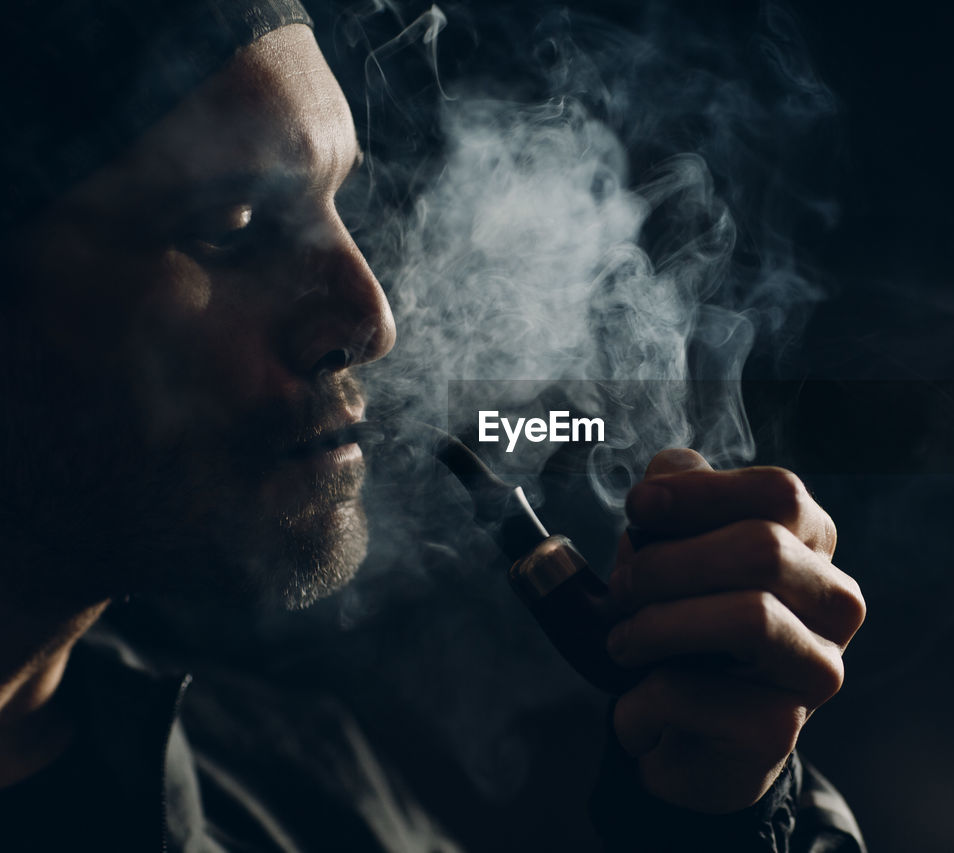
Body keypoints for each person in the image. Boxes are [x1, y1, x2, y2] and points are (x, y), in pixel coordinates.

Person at [0, 1, 867, 849]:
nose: (373, 319)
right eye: (233, 227)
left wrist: (710, 818)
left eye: (343, 200)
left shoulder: (309, 798)